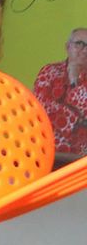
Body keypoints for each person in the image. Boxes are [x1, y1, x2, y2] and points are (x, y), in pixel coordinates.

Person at [34, 28, 87, 156]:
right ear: (67, 47)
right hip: (47, 149)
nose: (85, 50)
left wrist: (75, 81)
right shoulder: (49, 71)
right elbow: (41, 107)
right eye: (79, 44)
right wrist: (76, 122)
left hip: (81, 157)